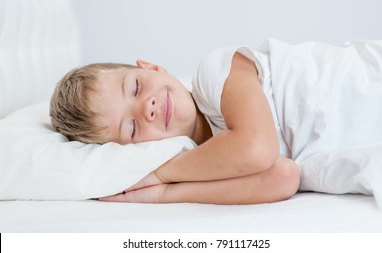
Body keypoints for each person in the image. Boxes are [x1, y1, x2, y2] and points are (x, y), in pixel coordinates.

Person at [50, 46, 301, 205]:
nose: (146, 107)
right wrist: (165, 194)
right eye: (132, 128)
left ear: (152, 68)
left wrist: (161, 175)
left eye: (135, 87)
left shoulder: (213, 73)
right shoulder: (201, 163)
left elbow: (256, 148)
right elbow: (283, 176)